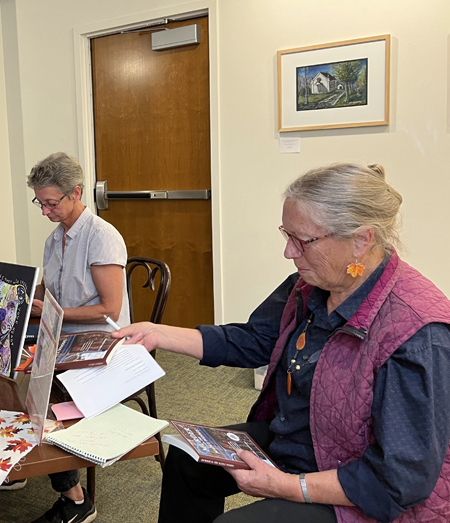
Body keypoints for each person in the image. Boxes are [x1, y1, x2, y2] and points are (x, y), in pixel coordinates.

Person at [113, 163, 450, 523]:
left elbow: (400, 480)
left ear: (361, 240)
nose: (289, 252)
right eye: (285, 235)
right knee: (187, 457)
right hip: (303, 440)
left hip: (361, 488)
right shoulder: (309, 286)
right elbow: (255, 339)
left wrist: (286, 486)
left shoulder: (417, 331)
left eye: (302, 241)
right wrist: (159, 333)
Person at [24, 152, 131, 523]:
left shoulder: (101, 237)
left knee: (44, 392)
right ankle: (22, 461)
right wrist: (25, 297)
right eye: (40, 202)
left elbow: (109, 310)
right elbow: (48, 289)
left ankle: (76, 499)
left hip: (99, 343)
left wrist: (51, 313)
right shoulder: (56, 239)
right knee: (8, 367)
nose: (45, 210)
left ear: (76, 193)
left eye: (51, 203)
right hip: (63, 336)